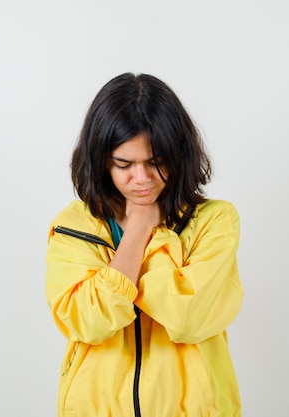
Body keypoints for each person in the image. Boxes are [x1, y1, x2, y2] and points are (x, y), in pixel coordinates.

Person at [45, 72, 243, 417]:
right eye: (124, 164)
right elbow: (88, 321)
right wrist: (139, 227)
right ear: (101, 161)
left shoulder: (215, 221)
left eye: (156, 163)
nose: (141, 179)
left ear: (178, 154)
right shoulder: (72, 226)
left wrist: (157, 233)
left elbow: (188, 317)